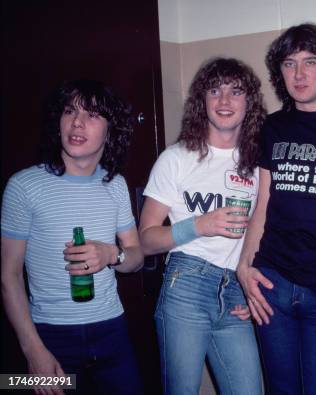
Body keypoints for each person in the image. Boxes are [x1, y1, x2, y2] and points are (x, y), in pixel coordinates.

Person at [236, 23, 316, 394]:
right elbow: (263, 204)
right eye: (289, 64)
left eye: (310, 61)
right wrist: (245, 266)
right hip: (273, 284)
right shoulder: (272, 127)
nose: (299, 73)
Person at [1, 79, 144, 395]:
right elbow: (8, 276)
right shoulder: (23, 186)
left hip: (112, 333)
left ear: (111, 130)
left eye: (92, 114)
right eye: (70, 111)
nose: (77, 122)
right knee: (11, 385)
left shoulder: (116, 185)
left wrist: (112, 255)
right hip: (50, 337)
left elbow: (135, 258)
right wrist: (32, 351)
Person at [139, 57, 265, 395]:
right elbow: (146, 241)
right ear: (202, 100)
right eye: (215, 91)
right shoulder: (176, 158)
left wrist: (253, 293)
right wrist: (199, 225)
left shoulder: (258, 163)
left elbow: (264, 232)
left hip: (236, 290)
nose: (224, 101)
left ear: (249, 101)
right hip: (186, 286)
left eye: (235, 91)